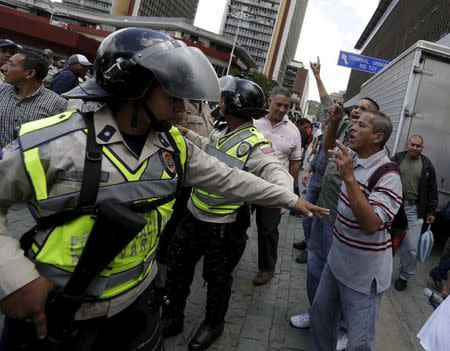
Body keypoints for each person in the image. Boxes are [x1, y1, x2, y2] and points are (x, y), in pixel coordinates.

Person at [0, 27, 327, 351]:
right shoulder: (55, 143)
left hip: (137, 308)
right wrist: (14, 278)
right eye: (172, 96)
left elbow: (231, 177)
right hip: (55, 312)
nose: (183, 108)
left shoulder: (175, 147)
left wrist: (291, 198)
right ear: (133, 88)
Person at [161, 76, 324, 350]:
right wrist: (189, 135)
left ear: (232, 104)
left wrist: (288, 196)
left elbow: (275, 170)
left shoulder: (255, 142)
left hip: (224, 227)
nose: (220, 102)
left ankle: (213, 324)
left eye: (223, 98)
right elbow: (213, 153)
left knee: (218, 279)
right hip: (194, 215)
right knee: (179, 270)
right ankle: (173, 316)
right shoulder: (221, 129)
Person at [309, 107, 403, 351]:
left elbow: (371, 224)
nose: (353, 127)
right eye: (354, 123)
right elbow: (328, 148)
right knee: (320, 318)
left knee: (359, 342)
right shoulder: (352, 155)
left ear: (378, 137)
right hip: (337, 261)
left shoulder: (388, 174)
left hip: (363, 275)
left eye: (361, 125)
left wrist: (349, 178)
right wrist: (334, 121)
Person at [252, 86, 303, 286]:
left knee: (268, 229)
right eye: (279, 104)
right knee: (235, 225)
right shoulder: (254, 122)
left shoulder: (293, 131)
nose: (282, 109)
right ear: (268, 102)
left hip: (274, 189)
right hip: (246, 181)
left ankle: (267, 268)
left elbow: (295, 164)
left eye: (286, 106)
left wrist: (288, 195)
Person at [393, 135, 438, 291]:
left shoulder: (427, 165)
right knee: (385, 240)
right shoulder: (397, 158)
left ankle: (404, 276)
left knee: (411, 245)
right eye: (412, 144)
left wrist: (431, 211)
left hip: (414, 210)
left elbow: (432, 189)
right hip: (394, 206)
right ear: (407, 145)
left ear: (422, 148)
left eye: (418, 146)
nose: (415, 148)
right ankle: (378, 269)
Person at [0, 50, 67, 147]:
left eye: (11, 64)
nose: (3, 68)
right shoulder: (1, 90)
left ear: (30, 73)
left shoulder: (57, 104)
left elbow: (57, 144)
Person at [293, 119, 329, 265]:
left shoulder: (344, 139)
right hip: (314, 181)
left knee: (318, 220)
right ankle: (308, 241)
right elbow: (318, 156)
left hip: (326, 188)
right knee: (306, 215)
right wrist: (308, 171)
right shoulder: (324, 138)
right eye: (327, 123)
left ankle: (311, 249)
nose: (326, 125)